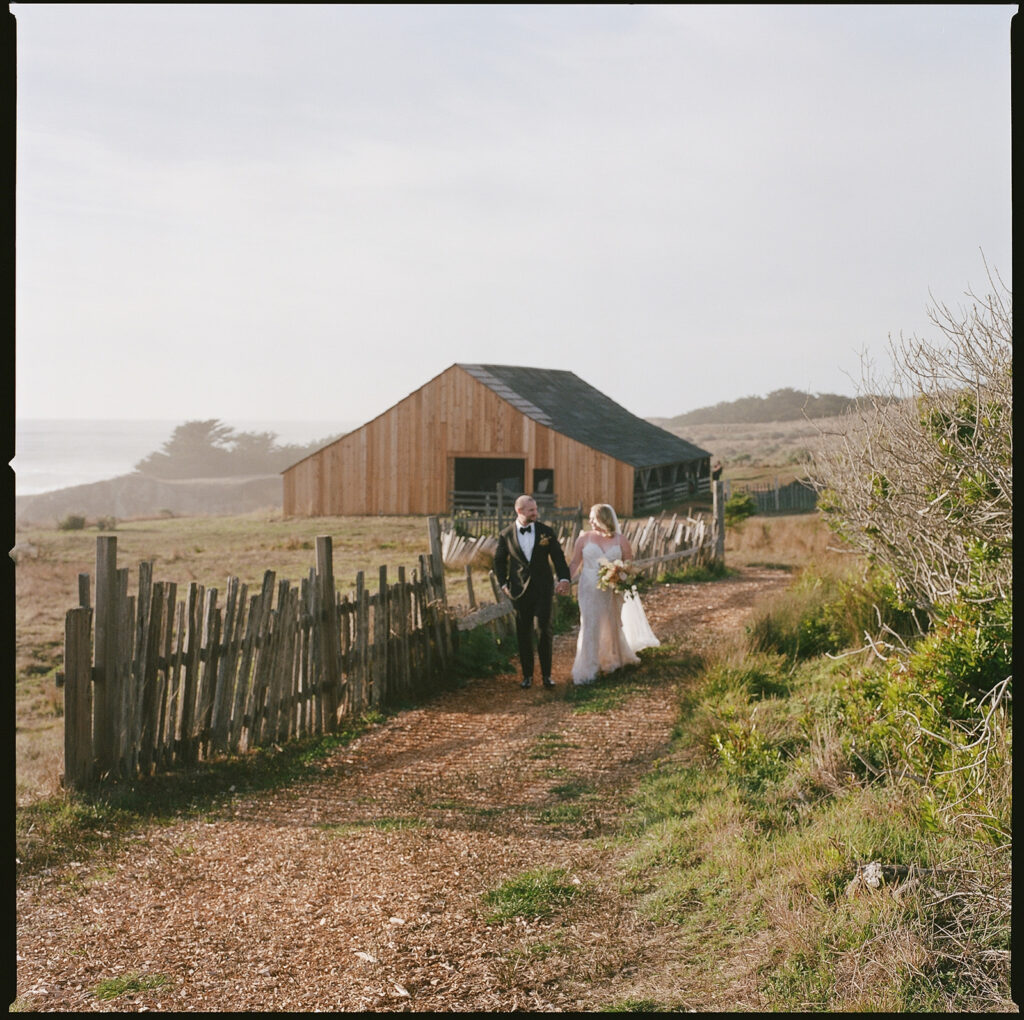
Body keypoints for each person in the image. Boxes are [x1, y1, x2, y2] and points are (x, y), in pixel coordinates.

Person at [567, 503, 657, 686]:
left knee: (611, 622)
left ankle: (612, 661)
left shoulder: (620, 540)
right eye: (590, 518)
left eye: (593, 517)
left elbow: (628, 562)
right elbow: (575, 563)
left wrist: (620, 573)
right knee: (590, 624)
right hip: (589, 590)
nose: (590, 521)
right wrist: (564, 581)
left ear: (604, 518)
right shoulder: (584, 538)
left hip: (611, 589)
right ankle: (588, 667)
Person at [494, 495, 572, 689]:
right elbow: (499, 561)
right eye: (531, 510)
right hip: (519, 591)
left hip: (543, 589)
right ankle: (527, 675)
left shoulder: (547, 532)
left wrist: (564, 578)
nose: (535, 513)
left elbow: (558, 558)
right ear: (519, 511)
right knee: (523, 632)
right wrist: (503, 584)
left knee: (544, 630)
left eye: (536, 509)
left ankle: (547, 676)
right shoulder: (506, 534)